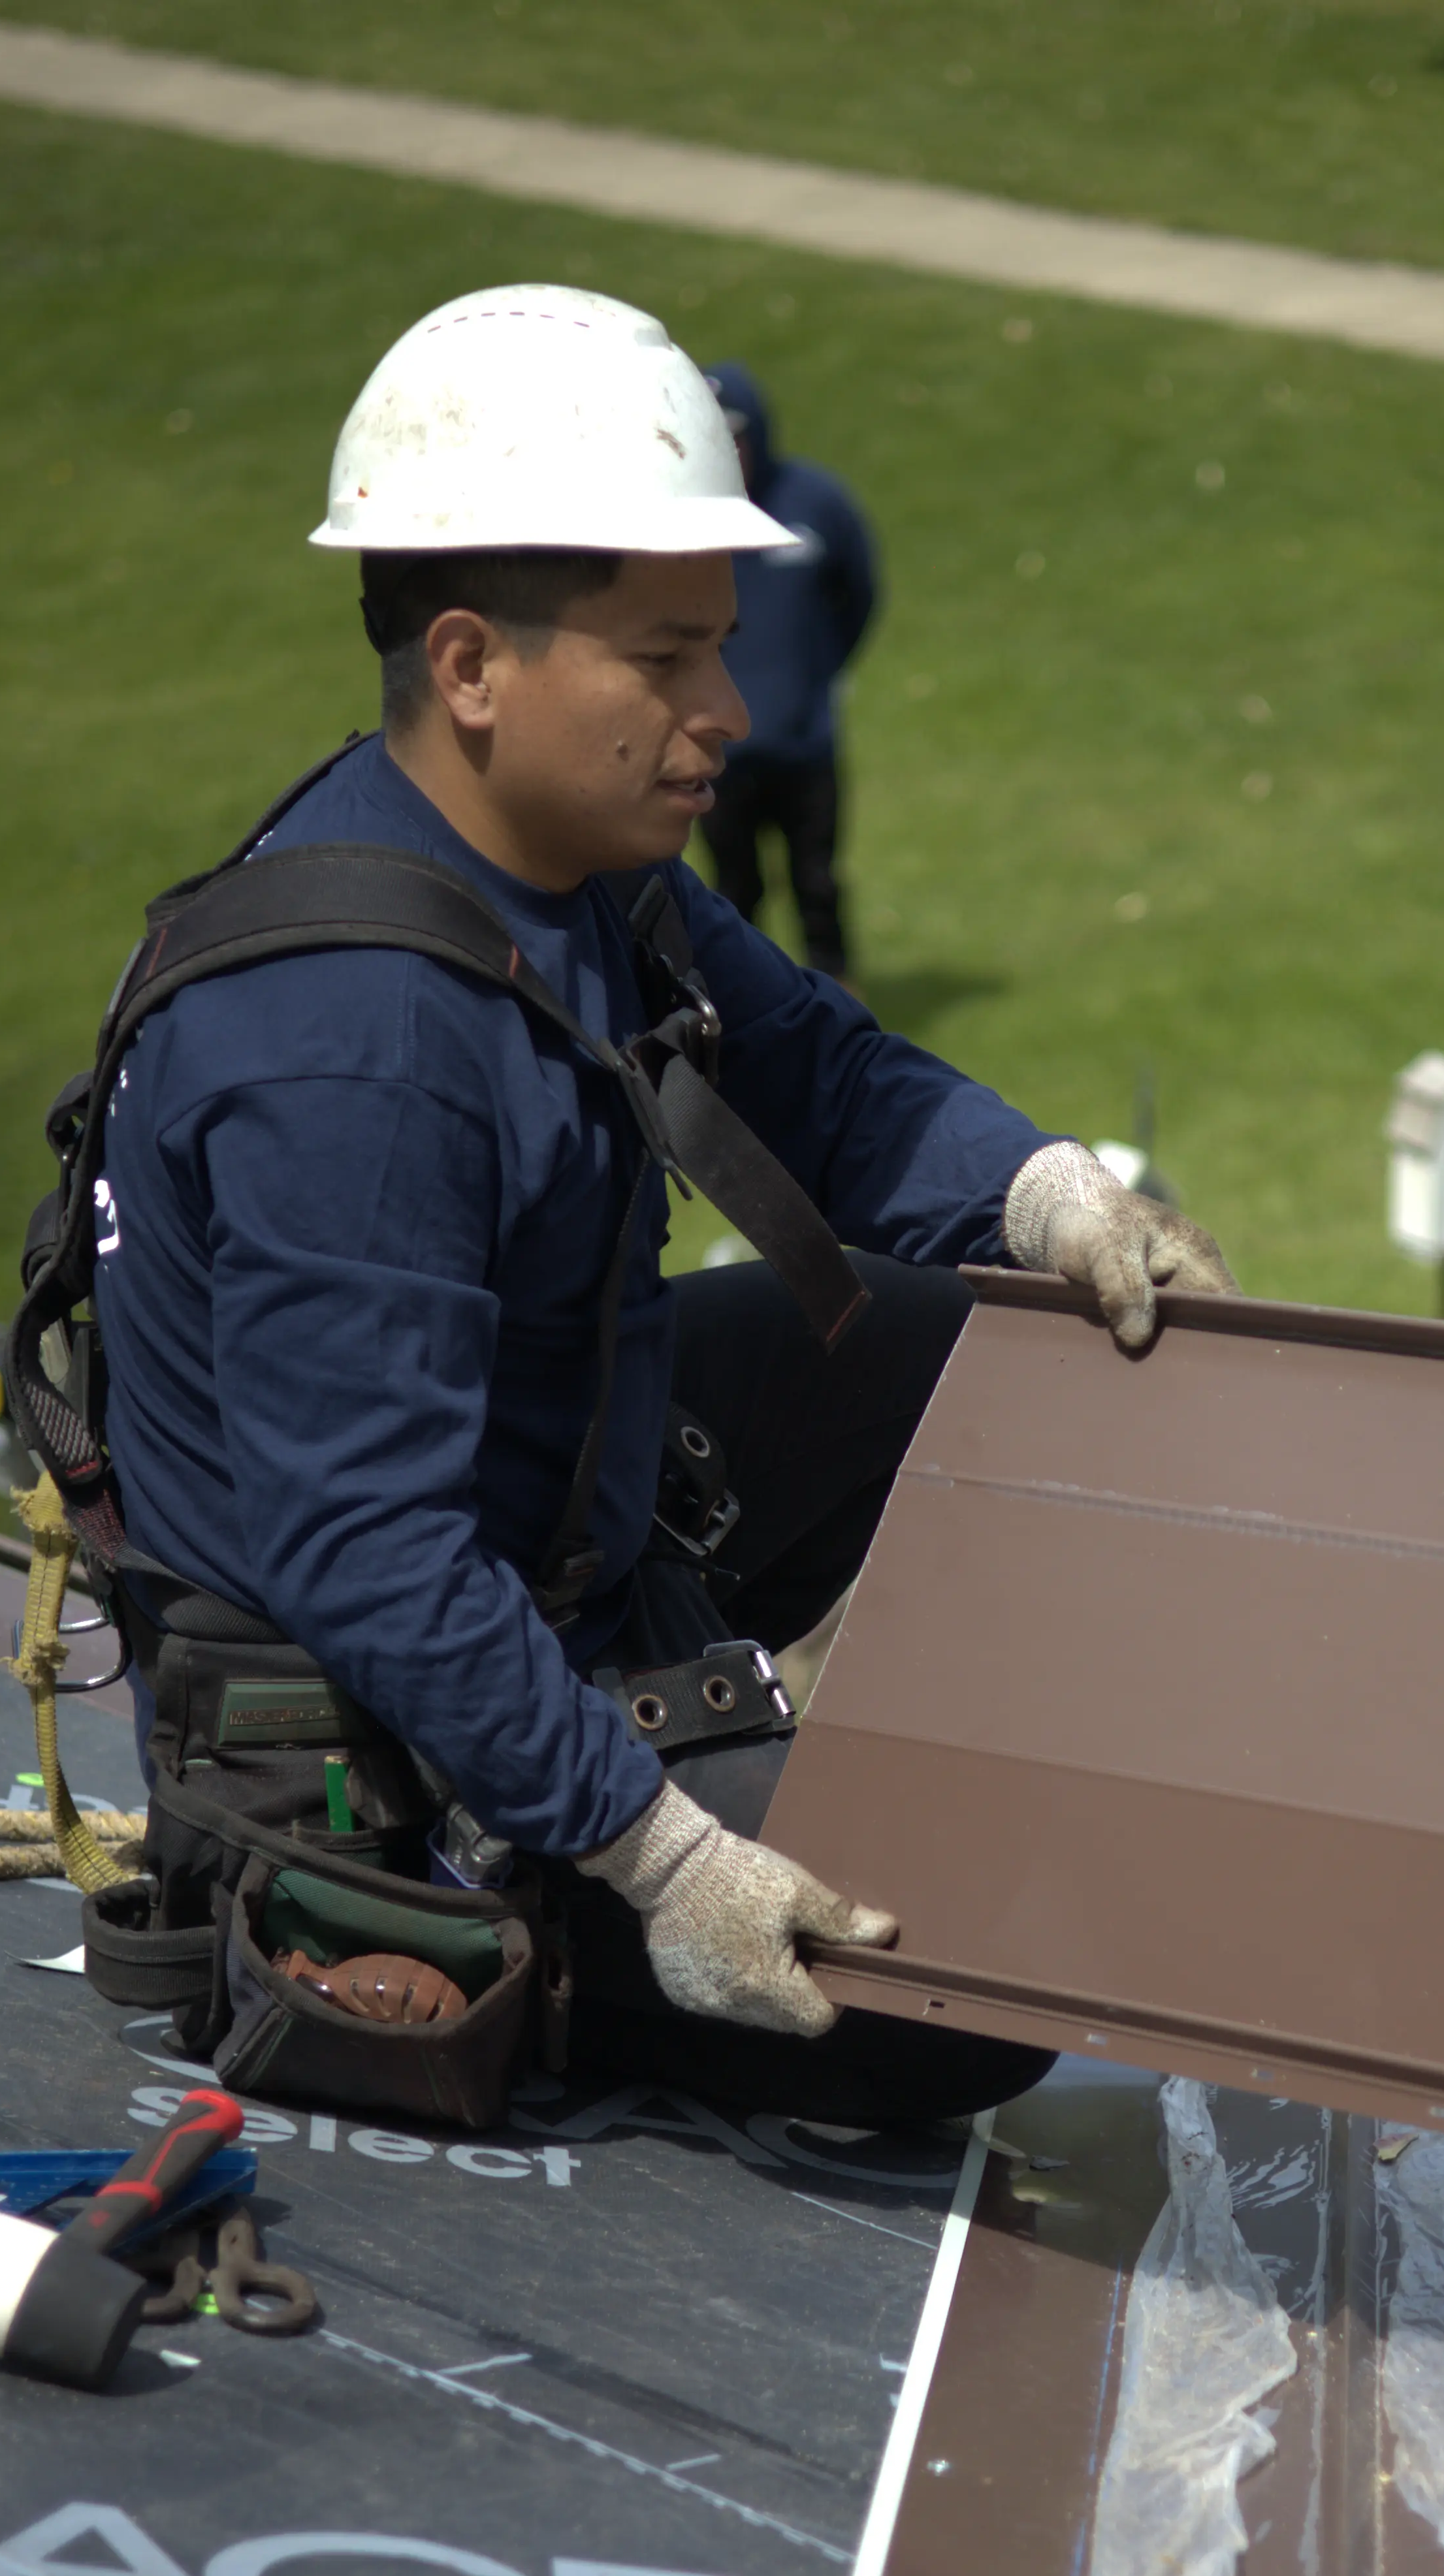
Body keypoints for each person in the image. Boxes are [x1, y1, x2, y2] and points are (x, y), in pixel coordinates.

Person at [82, 284, 1231, 2123]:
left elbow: (821, 1077)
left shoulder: (564, 861)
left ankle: (761, 1726)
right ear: (472, 666)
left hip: (531, 1515)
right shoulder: (353, 1053)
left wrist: (1044, 1196)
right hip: (379, 1731)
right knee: (982, 1974)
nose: (730, 714)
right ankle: (602, 1894)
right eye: (667, 659)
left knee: (977, 1344)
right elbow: (367, 1554)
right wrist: (663, 1856)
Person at [696, 363, 878, 981]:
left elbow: (860, 594)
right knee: (733, 891)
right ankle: (734, 1009)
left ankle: (842, 1006)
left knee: (817, 882)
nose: (732, 452)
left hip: (805, 743)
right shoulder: (685, 520)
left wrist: (816, 670)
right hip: (719, 752)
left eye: (738, 436)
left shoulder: (816, 503)